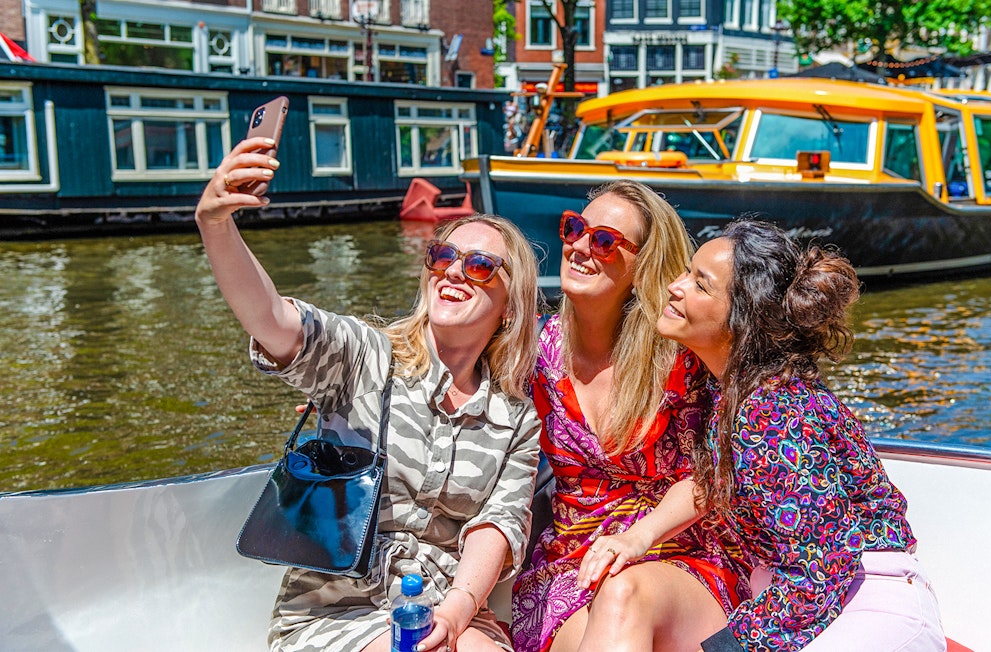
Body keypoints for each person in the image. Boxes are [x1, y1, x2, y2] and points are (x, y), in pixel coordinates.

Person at [195, 136, 543, 652]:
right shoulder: (365, 356)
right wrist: (216, 225)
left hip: (455, 610)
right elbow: (274, 321)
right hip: (339, 608)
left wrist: (452, 615)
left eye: (478, 266)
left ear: (510, 304)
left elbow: (500, 524)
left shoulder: (515, 417)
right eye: (443, 255)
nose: (452, 271)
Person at [581, 218, 945, 651]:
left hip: (868, 606)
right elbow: (714, 478)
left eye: (700, 284)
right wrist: (636, 537)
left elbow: (820, 568)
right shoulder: (733, 390)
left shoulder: (774, 411)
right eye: (686, 272)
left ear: (741, 320)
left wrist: (727, 646)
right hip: (807, 602)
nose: (677, 287)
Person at [511, 180, 750, 652]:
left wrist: (639, 538)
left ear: (645, 265)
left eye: (604, 240)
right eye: (574, 228)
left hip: (683, 552)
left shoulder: (677, 355)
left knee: (624, 598)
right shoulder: (536, 354)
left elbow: (713, 472)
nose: (580, 246)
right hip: (571, 566)